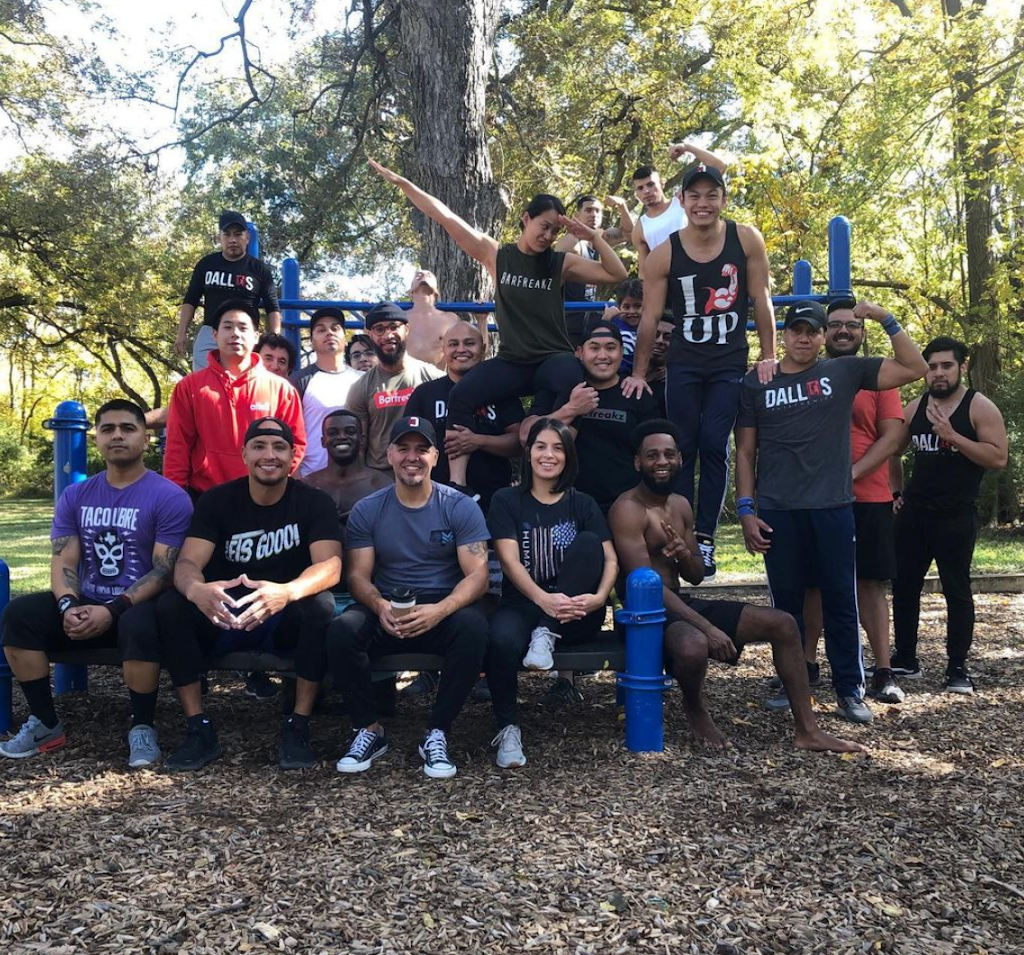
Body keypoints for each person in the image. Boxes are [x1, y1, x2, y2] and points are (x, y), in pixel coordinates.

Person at [368, 158, 628, 495]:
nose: (547, 236)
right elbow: (445, 217)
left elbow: (617, 274)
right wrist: (404, 183)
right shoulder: (497, 256)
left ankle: (552, 487)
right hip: (514, 361)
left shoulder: (559, 264)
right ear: (526, 219)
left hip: (553, 359)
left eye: (555, 231)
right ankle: (458, 485)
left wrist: (592, 235)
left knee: (568, 379)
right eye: (543, 226)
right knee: (460, 394)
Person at [609, 420, 863, 753]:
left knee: (784, 623)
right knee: (694, 644)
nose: (662, 461)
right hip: (645, 614)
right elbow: (644, 588)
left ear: (680, 460)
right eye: (652, 455)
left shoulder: (680, 505)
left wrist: (686, 554)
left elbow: (697, 575)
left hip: (680, 602)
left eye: (669, 454)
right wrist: (709, 627)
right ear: (638, 462)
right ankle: (695, 708)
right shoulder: (627, 509)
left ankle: (808, 730)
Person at [734, 300, 928, 724]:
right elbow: (745, 452)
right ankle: (794, 685)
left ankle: (849, 690)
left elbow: (914, 368)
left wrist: (883, 318)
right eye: (796, 330)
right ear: (783, 335)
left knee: (842, 601)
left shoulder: (843, 372)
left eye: (812, 331)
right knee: (786, 607)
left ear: (822, 337)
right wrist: (746, 509)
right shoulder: (756, 383)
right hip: (778, 510)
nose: (804, 338)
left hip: (833, 506)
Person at [0, 400, 192, 767]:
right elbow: (64, 559)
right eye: (107, 429)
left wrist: (114, 609)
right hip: (86, 601)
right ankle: (46, 722)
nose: (117, 435)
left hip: (134, 606)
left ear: (146, 439)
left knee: (139, 623)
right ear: (97, 439)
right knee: (19, 615)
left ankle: (142, 727)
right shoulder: (76, 495)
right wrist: (68, 607)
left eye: (127, 428)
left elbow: (164, 571)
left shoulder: (169, 496)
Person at [156, 417, 342, 771]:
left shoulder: (314, 503)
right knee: (171, 606)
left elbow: (330, 566)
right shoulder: (216, 501)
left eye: (279, 447)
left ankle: (298, 725)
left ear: (293, 456)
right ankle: (198, 728)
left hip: (281, 615)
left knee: (321, 607)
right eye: (259, 446)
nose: (268, 455)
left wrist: (287, 592)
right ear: (244, 454)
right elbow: (187, 563)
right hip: (224, 612)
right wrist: (197, 590)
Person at [625, 162, 775, 577]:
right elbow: (650, 317)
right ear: (682, 201)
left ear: (723, 200)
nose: (703, 203)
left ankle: (705, 537)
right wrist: (639, 372)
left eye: (712, 195)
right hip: (686, 363)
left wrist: (767, 355)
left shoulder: (745, 239)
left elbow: (761, 300)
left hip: (728, 360)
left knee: (714, 443)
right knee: (682, 447)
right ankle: (678, 537)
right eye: (695, 196)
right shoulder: (665, 252)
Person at [328, 417, 491, 779]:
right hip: (387, 603)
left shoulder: (459, 506)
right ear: (389, 454)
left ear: (436, 456)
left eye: (421, 449)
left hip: (440, 603)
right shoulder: (369, 509)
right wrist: (378, 605)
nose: (412, 457)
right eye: (403, 448)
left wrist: (441, 609)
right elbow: (357, 575)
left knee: (473, 628)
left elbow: (477, 576)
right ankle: (368, 729)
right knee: (342, 629)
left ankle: (437, 732)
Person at [485, 419, 618, 767]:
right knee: (498, 639)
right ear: (528, 454)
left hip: (577, 611)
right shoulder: (507, 500)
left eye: (558, 448)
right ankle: (509, 729)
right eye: (541, 446)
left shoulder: (583, 503)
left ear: (569, 457)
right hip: (525, 604)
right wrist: (543, 600)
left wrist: (600, 596)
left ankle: (547, 630)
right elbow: (510, 561)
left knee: (588, 542)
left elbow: (609, 558)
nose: (549, 454)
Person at [800, 300, 907, 704]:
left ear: (862, 334)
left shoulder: (877, 377)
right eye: (835, 325)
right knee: (814, 585)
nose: (843, 331)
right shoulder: (806, 372)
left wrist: (854, 472)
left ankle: (882, 670)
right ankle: (807, 666)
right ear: (823, 333)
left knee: (869, 583)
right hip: (813, 497)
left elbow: (892, 438)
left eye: (851, 326)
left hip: (868, 495)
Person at [890, 337, 1008, 692]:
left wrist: (952, 436)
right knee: (904, 587)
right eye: (933, 367)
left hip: (956, 516)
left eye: (946, 366)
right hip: (914, 514)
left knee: (957, 590)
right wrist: (894, 493)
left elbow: (998, 458)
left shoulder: (979, 407)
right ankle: (906, 659)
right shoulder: (914, 408)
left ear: (962, 368)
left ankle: (957, 667)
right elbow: (891, 451)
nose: (938, 373)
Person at [163, 300, 306, 499]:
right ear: (215, 334)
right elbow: (177, 447)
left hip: (264, 498)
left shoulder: (282, 390)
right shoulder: (189, 387)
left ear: (255, 336)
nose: (235, 334)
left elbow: (296, 445)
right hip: (205, 498)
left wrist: (274, 483)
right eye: (227, 327)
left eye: (243, 327)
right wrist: (174, 498)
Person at [527, 320, 658, 515]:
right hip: (565, 504)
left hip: (624, 507)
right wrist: (571, 409)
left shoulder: (636, 393)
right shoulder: (560, 388)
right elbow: (525, 436)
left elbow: (653, 452)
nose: (602, 356)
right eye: (594, 348)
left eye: (611, 348)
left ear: (622, 352)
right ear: (579, 353)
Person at [405, 320, 523, 514]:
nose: (461, 349)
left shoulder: (502, 392)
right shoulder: (425, 393)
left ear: (483, 348)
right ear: (444, 349)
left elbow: (519, 443)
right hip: (435, 500)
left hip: (492, 500)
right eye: (453, 344)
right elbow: (409, 445)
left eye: (469, 343)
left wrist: (478, 441)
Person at [344, 301, 443, 472]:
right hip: (380, 478)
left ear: (406, 329)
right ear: (370, 334)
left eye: (393, 327)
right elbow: (358, 447)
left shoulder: (432, 377)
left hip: (425, 475)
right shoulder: (360, 388)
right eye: (379, 329)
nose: (388, 335)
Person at [177, 210, 282, 372]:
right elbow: (191, 300)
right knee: (205, 385)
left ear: (247, 237)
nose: (233, 240)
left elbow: (272, 307)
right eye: (227, 235)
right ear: (220, 238)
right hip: (211, 331)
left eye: (238, 234)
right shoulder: (206, 264)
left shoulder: (259, 270)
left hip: (245, 333)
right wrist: (181, 333)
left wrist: (275, 338)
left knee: (243, 386)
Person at [631, 141, 728, 277]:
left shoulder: (682, 201)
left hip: (703, 272)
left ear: (662, 183)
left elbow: (719, 166)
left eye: (650, 184)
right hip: (669, 286)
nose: (646, 191)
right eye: (640, 188)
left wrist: (687, 147)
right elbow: (644, 272)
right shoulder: (640, 227)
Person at [290, 307, 364, 477]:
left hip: (359, 481)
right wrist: (298, 478)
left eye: (335, 328)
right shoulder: (298, 381)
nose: (329, 333)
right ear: (312, 341)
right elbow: (291, 435)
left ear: (345, 339)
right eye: (321, 329)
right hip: (312, 479)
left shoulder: (364, 380)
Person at [557, 195, 634, 346]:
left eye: (598, 211)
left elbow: (628, 233)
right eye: (589, 210)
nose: (594, 215)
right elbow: (551, 275)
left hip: (588, 317)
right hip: (568, 321)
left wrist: (622, 206)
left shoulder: (599, 238)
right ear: (577, 216)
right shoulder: (571, 241)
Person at [404, 269, 472, 365]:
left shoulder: (450, 319)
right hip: (407, 377)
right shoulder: (400, 318)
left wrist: (482, 320)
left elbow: (476, 351)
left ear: (437, 292)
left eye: (428, 275)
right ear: (410, 292)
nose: (423, 275)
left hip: (440, 377)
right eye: (418, 275)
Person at [600, 278, 644, 375]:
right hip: (614, 372)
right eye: (626, 307)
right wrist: (606, 319)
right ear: (619, 307)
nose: (631, 312)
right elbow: (598, 340)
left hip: (640, 373)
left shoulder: (652, 326)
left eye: (637, 306)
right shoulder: (614, 322)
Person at [647, 315, 675, 417]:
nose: (660, 341)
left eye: (668, 338)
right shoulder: (625, 374)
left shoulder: (676, 385)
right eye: (655, 334)